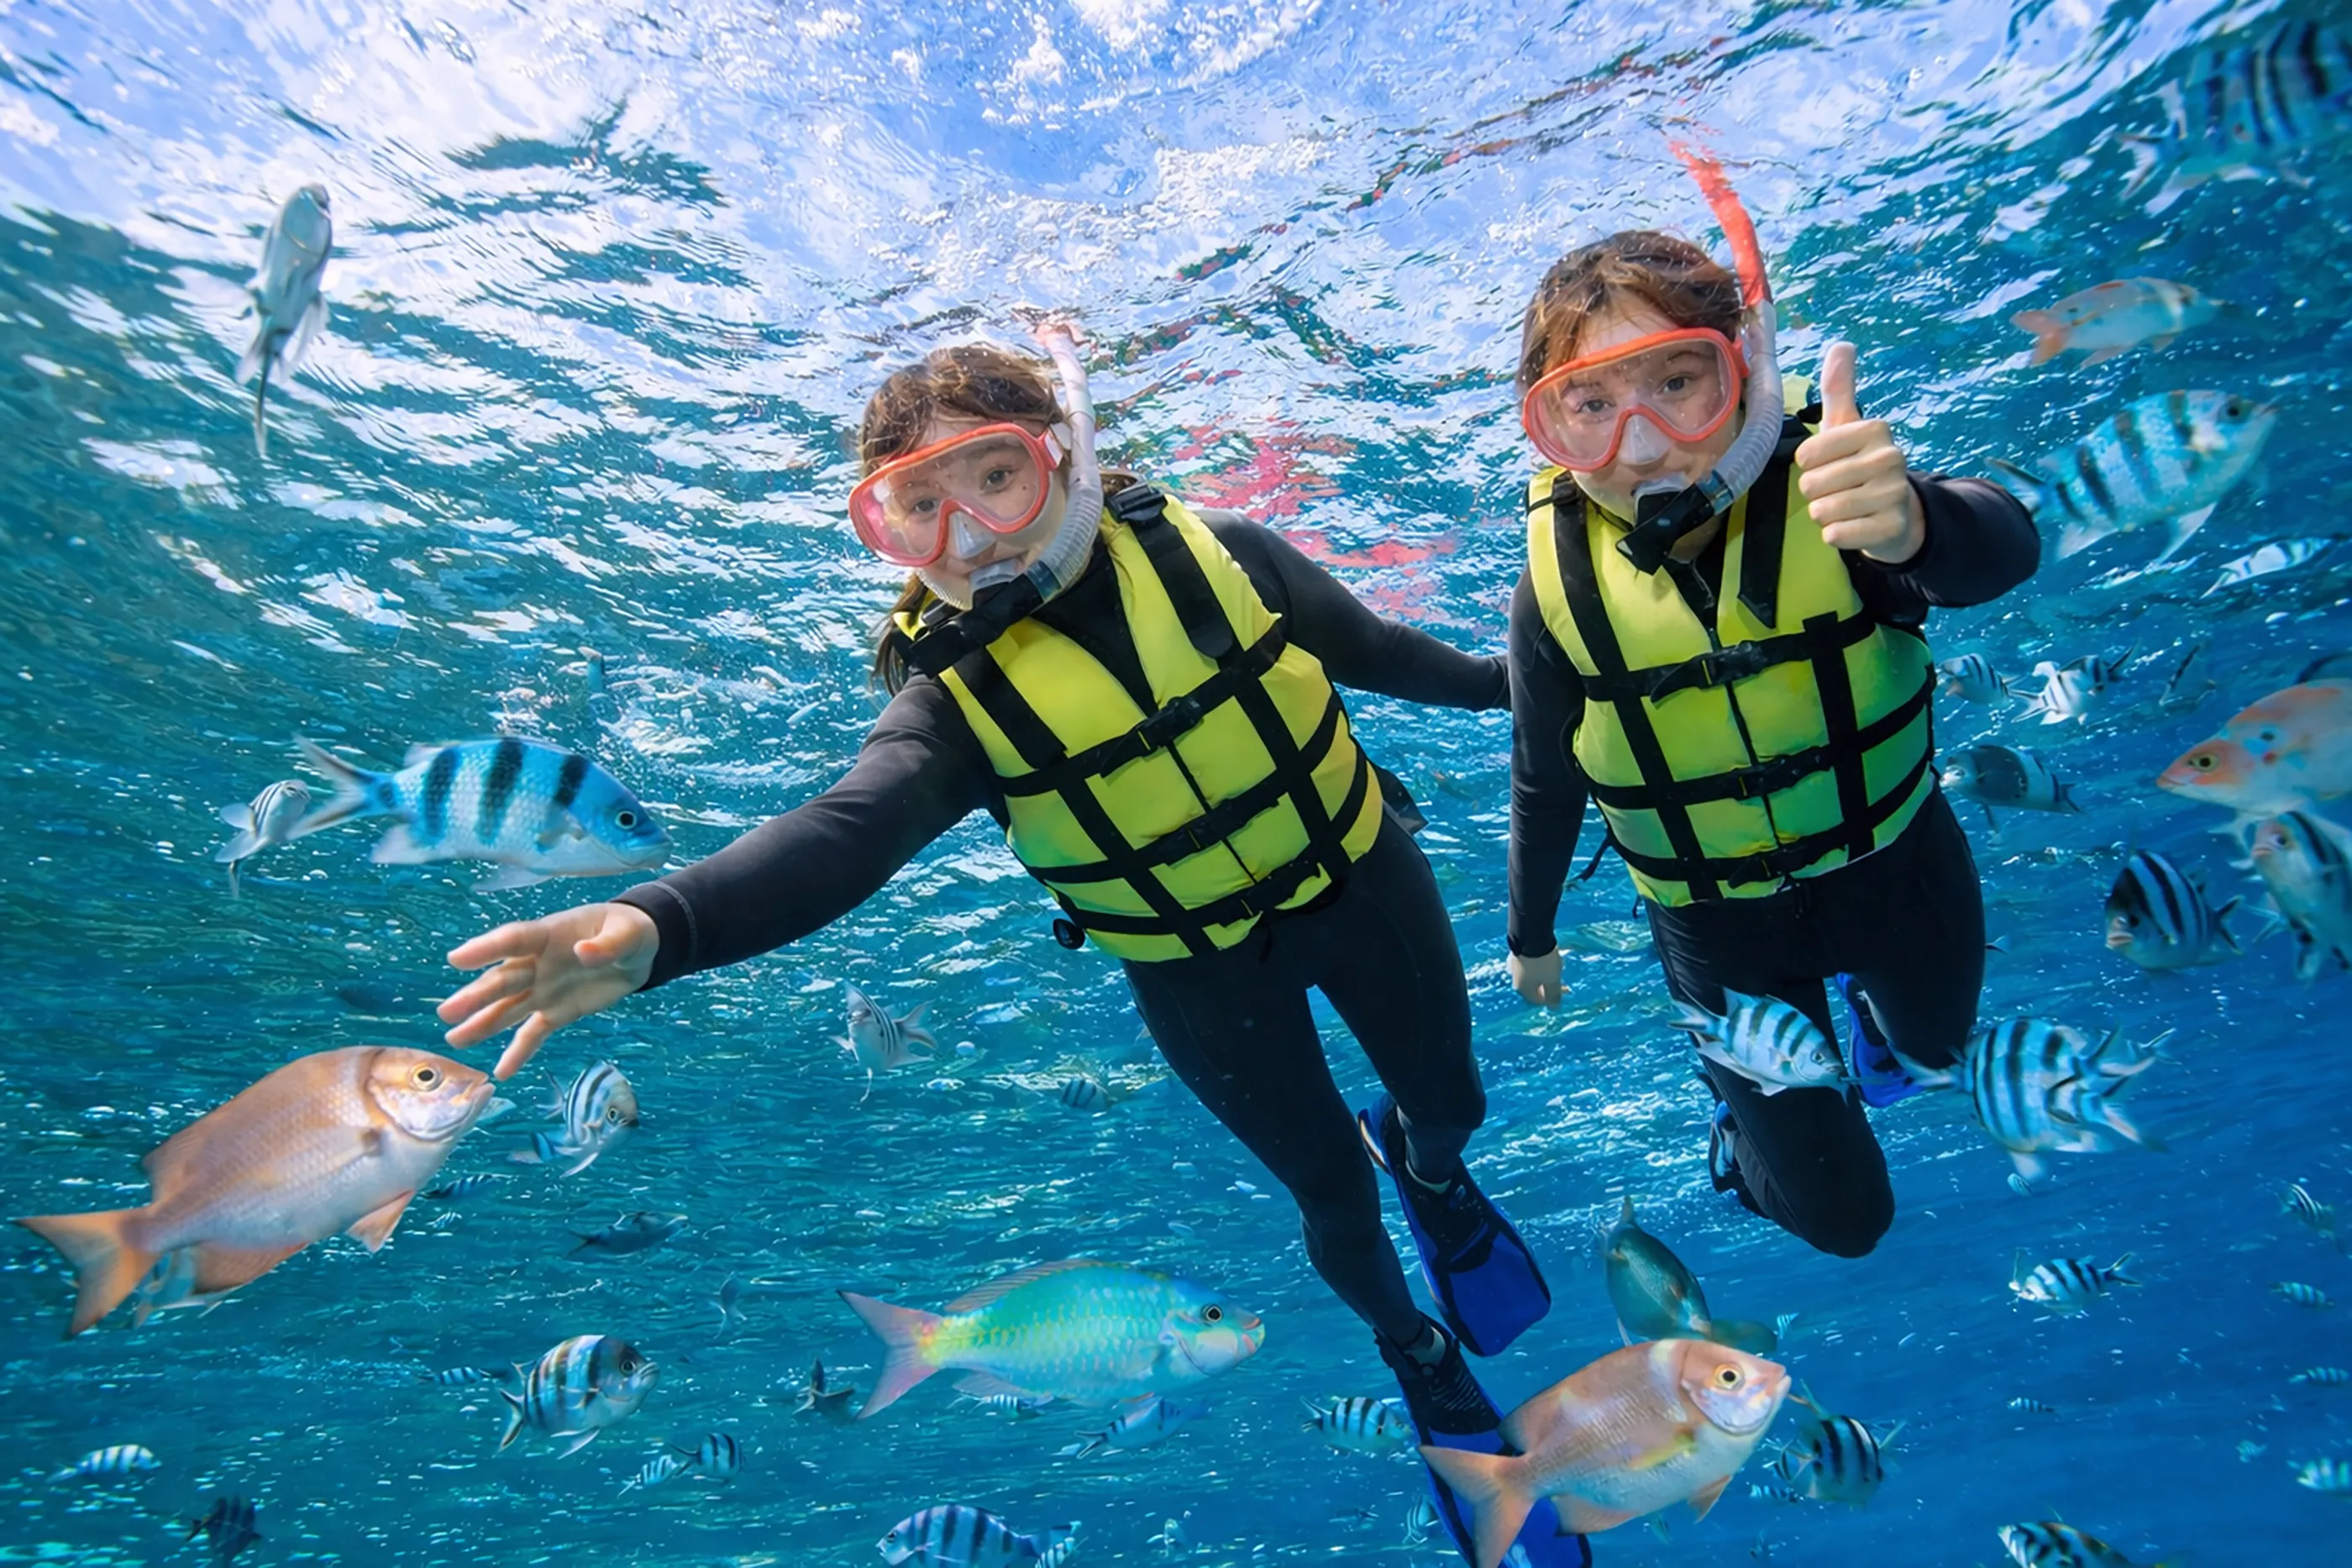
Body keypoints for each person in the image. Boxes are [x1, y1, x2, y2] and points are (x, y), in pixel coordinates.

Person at [434, 328, 1587, 1567]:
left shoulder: (1216, 560)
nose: (969, 535)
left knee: (1447, 1105)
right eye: (915, 509)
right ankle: (1416, 1349)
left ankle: (1434, 1166)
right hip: (1195, 973)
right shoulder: (953, 698)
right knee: (1330, 1198)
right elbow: (846, 831)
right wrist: (665, 923)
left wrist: (1508, 687)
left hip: (1360, 883)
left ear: (1068, 459)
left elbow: (1370, 649)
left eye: (994, 477)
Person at [1503, 165, 2039, 1261]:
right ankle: (1737, 1143)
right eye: (1589, 409)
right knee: (1849, 1222)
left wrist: (1918, 523)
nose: (1640, 447)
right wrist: (1531, 930)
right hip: (1718, 931)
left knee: (1938, 1050)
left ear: (1748, 374)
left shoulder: (1835, 490)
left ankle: (1880, 1043)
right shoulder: (1551, 584)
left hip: (1895, 861)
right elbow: (1544, 770)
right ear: (1547, 431)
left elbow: (2003, 547)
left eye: (1679, 382)